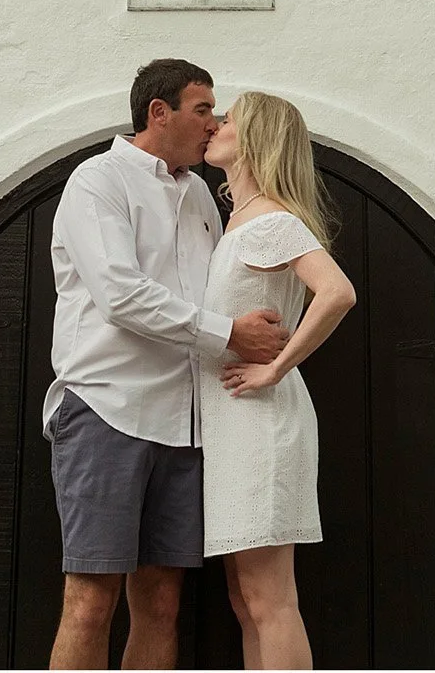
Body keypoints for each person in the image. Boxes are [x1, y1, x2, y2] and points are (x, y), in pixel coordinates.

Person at [46, 59, 288, 671]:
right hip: (108, 410)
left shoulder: (201, 194)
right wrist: (230, 335)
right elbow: (120, 294)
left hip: (187, 425)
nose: (213, 124)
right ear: (160, 112)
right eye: (203, 110)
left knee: (159, 603)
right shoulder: (98, 181)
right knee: (89, 601)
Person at [200, 93, 358, 671]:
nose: (216, 126)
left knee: (269, 599)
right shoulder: (240, 222)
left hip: (261, 424)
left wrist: (277, 365)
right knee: (247, 602)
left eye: (230, 120)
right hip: (234, 425)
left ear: (257, 138)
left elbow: (337, 292)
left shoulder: (270, 219)